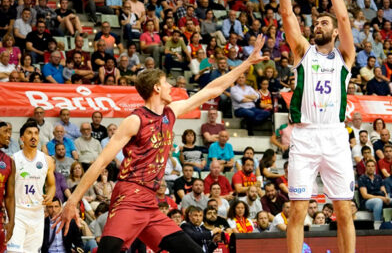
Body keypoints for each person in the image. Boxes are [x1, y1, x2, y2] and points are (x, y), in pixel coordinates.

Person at [55, 35, 267, 253]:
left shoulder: (170, 112)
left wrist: (246, 63)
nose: (170, 87)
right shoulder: (135, 120)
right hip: (130, 195)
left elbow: (211, 90)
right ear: (156, 88)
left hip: (151, 202)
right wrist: (72, 201)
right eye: (166, 83)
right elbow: (101, 161)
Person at [280, 0, 355, 253]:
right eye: (317, 23)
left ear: (335, 32)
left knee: (345, 210)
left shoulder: (345, 56)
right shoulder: (302, 51)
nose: (319, 25)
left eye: (325, 23)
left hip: (335, 136)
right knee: (297, 212)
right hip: (306, 135)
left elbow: (344, 15)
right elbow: (287, 14)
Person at [7, 120, 56, 253]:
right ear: (22, 138)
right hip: (17, 212)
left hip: (37, 214)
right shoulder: (13, 160)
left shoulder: (47, 160)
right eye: (29, 133)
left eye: (35, 133)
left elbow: (51, 185)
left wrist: (51, 194)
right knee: (13, 251)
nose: (33, 136)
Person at [0, 121, 15, 252]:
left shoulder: (9, 161)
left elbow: (9, 197)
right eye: (5, 131)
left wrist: (11, 222)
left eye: (10, 132)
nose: (9, 135)